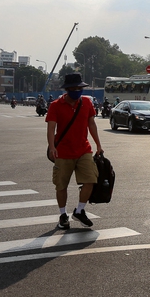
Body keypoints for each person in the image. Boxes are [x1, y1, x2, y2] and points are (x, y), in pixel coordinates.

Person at [46, 73, 103, 230]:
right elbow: (51, 128)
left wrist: (98, 144)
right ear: (67, 89)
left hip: (83, 149)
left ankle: (79, 210)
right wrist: (52, 147)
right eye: (74, 88)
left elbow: (91, 124)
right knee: (61, 185)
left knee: (91, 179)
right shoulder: (56, 105)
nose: (78, 91)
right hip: (63, 152)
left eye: (80, 88)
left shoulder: (86, 103)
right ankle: (63, 215)